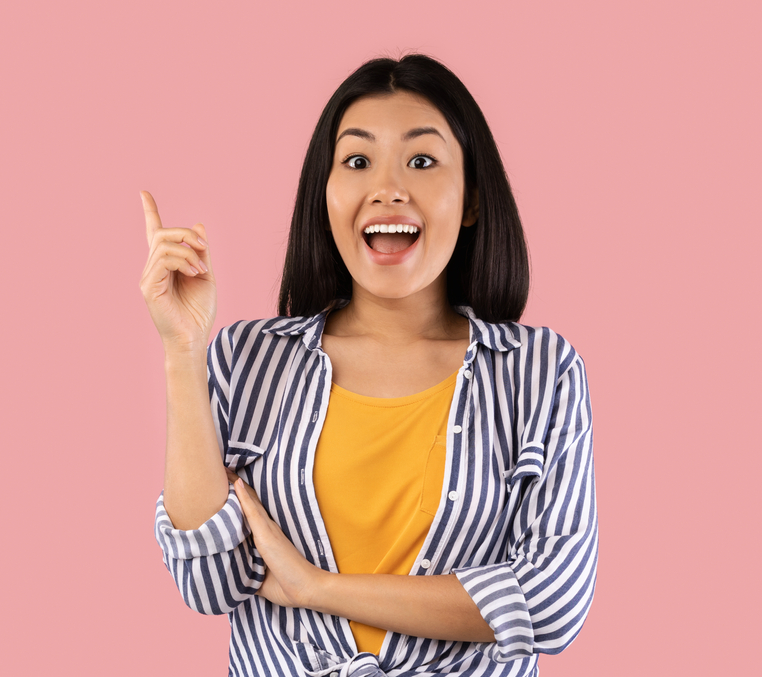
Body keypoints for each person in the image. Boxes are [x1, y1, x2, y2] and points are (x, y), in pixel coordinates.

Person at [141, 54, 597, 677]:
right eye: (357, 161)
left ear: (470, 201)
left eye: (422, 161)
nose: (388, 187)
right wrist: (183, 349)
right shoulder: (250, 362)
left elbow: (551, 603)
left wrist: (316, 587)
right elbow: (208, 579)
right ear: (325, 197)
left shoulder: (540, 374)